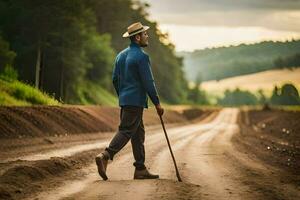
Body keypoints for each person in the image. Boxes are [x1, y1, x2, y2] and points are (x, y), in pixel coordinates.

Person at [95, 22, 164, 181]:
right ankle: (106, 155)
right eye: (145, 34)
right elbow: (148, 82)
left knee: (138, 133)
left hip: (126, 100)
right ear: (137, 37)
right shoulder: (142, 57)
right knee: (126, 130)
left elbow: (114, 80)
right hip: (135, 102)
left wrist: (123, 95)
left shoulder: (120, 55)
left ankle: (140, 169)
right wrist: (157, 103)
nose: (148, 36)